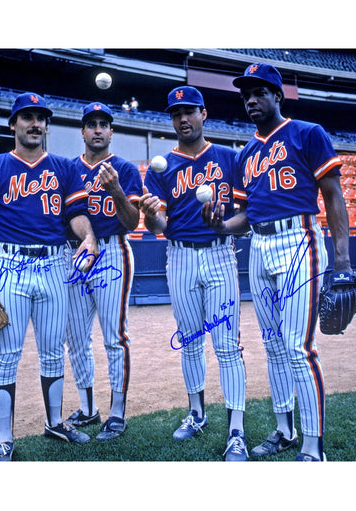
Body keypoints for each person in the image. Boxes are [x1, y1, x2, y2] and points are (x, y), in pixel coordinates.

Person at [203, 63, 352, 462]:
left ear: (276, 95)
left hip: (299, 240)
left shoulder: (308, 133)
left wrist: (342, 260)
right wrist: (220, 224)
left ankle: (312, 444)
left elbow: (333, 196)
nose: (251, 100)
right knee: (272, 346)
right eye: (245, 94)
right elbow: (243, 217)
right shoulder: (245, 154)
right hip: (260, 245)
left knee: (299, 347)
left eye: (259, 92)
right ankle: (284, 429)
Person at [0, 92, 98, 461]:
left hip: (56, 263)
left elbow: (75, 215)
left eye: (40, 117)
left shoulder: (63, 166)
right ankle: (4, 439)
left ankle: (54, 422)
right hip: (11, 265)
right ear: (13, 124)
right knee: (7, 355)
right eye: (27, 116)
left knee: (53, 353)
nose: (35, 123)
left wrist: (88, 236)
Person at [139, 86, 248, 461]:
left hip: (219, 254)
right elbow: (157, 226)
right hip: (181, 256)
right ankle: (197, 413)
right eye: (175, 113)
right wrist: (152, 214)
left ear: (204, 114)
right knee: (189, 340)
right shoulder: (162, 166)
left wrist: (223, 225)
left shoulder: (229, 159)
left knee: (227, 345)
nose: (182, 118)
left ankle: (237, 431)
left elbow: (246, 218)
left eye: (189, 111)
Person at [65, 102, 143, 441]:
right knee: (76, 338)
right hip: (77, 256)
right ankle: (88, 407)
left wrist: (116, 191)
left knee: (114, 337)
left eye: (104, 124)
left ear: (111, 131)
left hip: (113, 252)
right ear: (82, 131)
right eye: (91, 124)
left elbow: (132, 222)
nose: (97, 129)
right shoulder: (67, 170)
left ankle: (116, 413)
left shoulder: (125, 169)